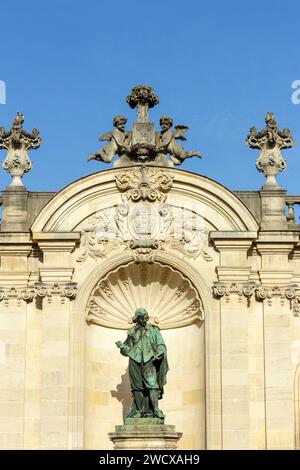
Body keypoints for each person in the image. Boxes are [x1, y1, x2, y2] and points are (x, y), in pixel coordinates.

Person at [116, 307, 168, 420]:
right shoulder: (132, 332)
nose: (145, 319)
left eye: (146, 317)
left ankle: (156, 410)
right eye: (142, 318)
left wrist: (159, 352)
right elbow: (127, 349)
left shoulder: (154, 330)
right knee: (137, 387)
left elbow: (161, 344)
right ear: (138, 319)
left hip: (149, 359)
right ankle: (139, 411)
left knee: (152, 385)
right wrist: (123, 348)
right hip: (135, 361)